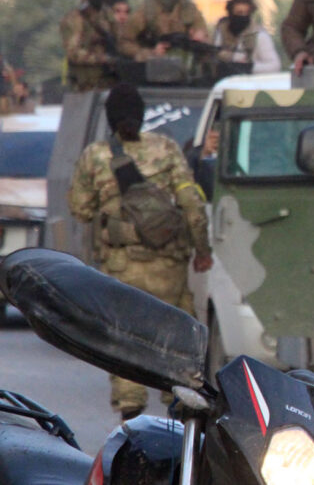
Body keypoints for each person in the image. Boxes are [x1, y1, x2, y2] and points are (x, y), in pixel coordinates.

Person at [68, 83, 213, 421]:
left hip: (122, 271)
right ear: (143, 114)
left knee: (124, 341)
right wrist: (202, 250)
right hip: (170, 269)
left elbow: (80, 208)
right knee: (175, 342)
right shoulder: (167, 149)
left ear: (110, 118)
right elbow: (192, 203)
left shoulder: (96, 155)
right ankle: (180, 420)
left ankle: (131, 417)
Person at [118, 0, 208, 61]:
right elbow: (124, 43)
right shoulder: (147, 11)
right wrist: (149, 53)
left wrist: (199, 37)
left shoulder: (188, 9)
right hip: (154, 66)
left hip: (184, 64)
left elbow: (202, 33)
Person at [59, 0, 119, 91]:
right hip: (85, 87)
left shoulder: (108, 14)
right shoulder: (76, 17)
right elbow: (73, 53)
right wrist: (102, 58)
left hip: (109, 82)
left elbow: (119, 39)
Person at [211, 0, 281, 74]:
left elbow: (274, 65)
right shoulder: (222, 31)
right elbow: (215, 55)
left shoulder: (259, 36)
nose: (242, 17)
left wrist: (248, 67)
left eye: (246, 13)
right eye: (239, 13)